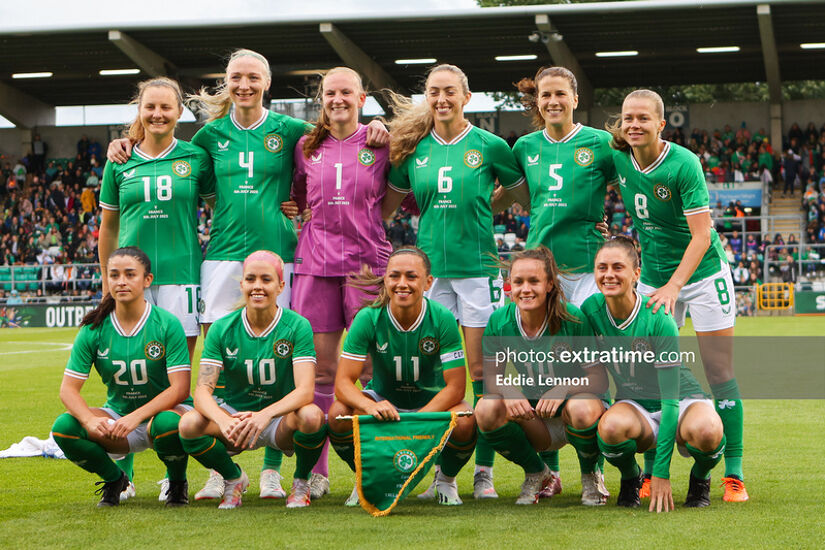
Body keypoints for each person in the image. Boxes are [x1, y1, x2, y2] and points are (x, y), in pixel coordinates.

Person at [107, 49, 387, 500]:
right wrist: (124, 143)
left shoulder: (293, 131)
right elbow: (162, 156)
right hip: (219, 258)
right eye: (236, 77)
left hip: (281, 256)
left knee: (281, 358)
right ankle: (219, 469)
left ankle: (275, 469)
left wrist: (377, 126)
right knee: (217, 362)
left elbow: (339, 142)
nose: (244, 85)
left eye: (253, 77)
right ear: (227, 82)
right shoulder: (207, 137)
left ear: (267, 83)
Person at [385, 64, 527, 499]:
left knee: (482, 369)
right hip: (429, 276)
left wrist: (491, 198)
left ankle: (483, 472)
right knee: (434, 373)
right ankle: (439, 476)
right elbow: (385, 207)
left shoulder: (490, 145)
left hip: (478, 270)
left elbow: (522, 193)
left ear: (466, 96)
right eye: (433, 92)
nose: (441, 99)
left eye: (450, 91)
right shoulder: (412, 148)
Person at [608, 90, 747, 502]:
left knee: (719, 372)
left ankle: (734, 473)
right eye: (627, 118)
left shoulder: (684, 163)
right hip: (651, 274)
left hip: (701, 275)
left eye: (643, 119)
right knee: (648, 373)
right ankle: (652, 470)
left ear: (661, 124)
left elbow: (702, 236)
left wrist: (674, 287)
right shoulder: (616, 154)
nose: (634, 125)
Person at [280, 67, 394, 499]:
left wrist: (384, 127)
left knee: (368, 372)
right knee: (321, 372)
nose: (338, 99)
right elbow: (295, 197)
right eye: (330, 93)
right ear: (321, 99)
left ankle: (370, 469)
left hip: (367, 268)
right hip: (315, 266)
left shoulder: (382, 143)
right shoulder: (304, 147)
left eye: (346, 92)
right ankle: (317, 472)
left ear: (362, 98)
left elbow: (403, 197)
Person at [581, 237, 726, 511]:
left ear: (636, 273)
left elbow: (670, 402)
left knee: (708, 431)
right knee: (610, 428)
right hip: (635, 405)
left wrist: (660, 473)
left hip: (682, 400)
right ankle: (630, 478)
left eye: (617, 267)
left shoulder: (658, 317)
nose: (608, 274)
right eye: (601, 267)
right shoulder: (591, 311)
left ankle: (700, 478)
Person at [177, 250, 326, 509]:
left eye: (266, 280)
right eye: (251, 279)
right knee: (188, 424)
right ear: (242, 284)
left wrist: (265, 415)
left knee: (312, 417)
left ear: (281, 286)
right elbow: (202, 391)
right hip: (236, 418)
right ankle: (233, 479)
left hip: (279, 420)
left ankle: (301, 483)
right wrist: (223, 420)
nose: (258, 286)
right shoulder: (222, 328)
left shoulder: (297, 326)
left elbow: (305, 391)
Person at [327, 247, 476, 506]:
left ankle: (445, 480)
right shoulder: (368, 318)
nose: (402, 284)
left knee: (465, 419)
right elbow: (342, 383)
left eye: (411, 276)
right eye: (394, 276)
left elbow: (456, 388)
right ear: (385, 279)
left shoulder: (442, 319)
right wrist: (370, 406)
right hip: (384, 400)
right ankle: (364, 478)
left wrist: (418, 420)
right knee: (338, 415)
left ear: (428, 282)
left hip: (430, 404)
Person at [50, 246, 192, 507]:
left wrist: (136, 417)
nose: (121, 281)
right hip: (118, 418)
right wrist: (90, 421)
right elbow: (68, 390)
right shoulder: (93, 329)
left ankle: (177, 482)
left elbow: (180, 389)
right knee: (64, 428)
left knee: (167, 425)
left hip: (164, 415)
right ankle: (115, 479)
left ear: (147, 279)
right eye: (114, 275)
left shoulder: (166, 324)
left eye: (130, 274)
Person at [475, 246, 609, 505]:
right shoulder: (499, 323)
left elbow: (599, 379)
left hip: (578, 414)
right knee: (486, 408)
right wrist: (510, 390)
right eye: (519, 282)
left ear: (549, 284)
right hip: (537, 418)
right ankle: (538, 472)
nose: (526, 289)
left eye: (534, 281)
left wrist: (562, 389)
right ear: (509, 286)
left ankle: (591, 475)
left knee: (581, 408)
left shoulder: (573, 318)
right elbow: (491, 379)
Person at [99, 77, 215, 359]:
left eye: (165, 107)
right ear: (140, 111)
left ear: (179, 112)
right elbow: (109, 228)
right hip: (130, 277)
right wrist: (107, 281)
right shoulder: (119, 161)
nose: (157, 114)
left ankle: (178, 406)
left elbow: (222, 209)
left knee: (178, 368)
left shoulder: (196, 157)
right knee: (133, 360)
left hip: (182, 275)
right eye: (150, 107)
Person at [512, 66, 616, 306]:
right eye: (546, 95)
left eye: (560, 94)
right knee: (544, 342)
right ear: (537, 101)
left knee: (589, 341)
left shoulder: (601, 142)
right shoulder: (524, 147)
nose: (553, 101)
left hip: (588, 264)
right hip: (540, 265)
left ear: (575, 100)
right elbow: (508, 196)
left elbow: (628, 193)